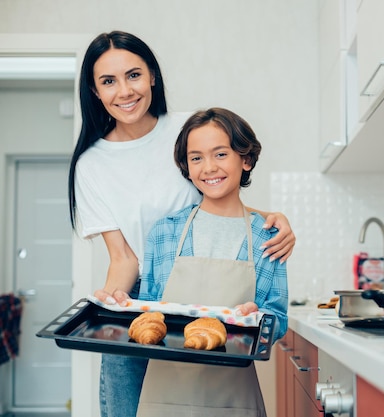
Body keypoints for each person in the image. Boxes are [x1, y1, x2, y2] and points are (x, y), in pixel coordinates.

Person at [67, 31, 295, 417]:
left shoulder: (187, 130)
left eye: (134, 75)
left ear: (152, 75)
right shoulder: (91, 165)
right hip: (141, 300)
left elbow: (218, 197)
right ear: (94, 90)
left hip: (216, 301)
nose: (124, 91)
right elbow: (124, 259)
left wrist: (271, 220)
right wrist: (110, 307)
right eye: (108, 81)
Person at [136, 107, 287, 416]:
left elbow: (278, 318)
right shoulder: (165, 232)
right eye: (196, 158)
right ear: (186, 167)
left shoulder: (267, 236)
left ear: (245, 160)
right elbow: (146, 310)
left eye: (220, 154)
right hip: (164, 396)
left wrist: (256, 319)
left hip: (233, 398)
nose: (208, 167)